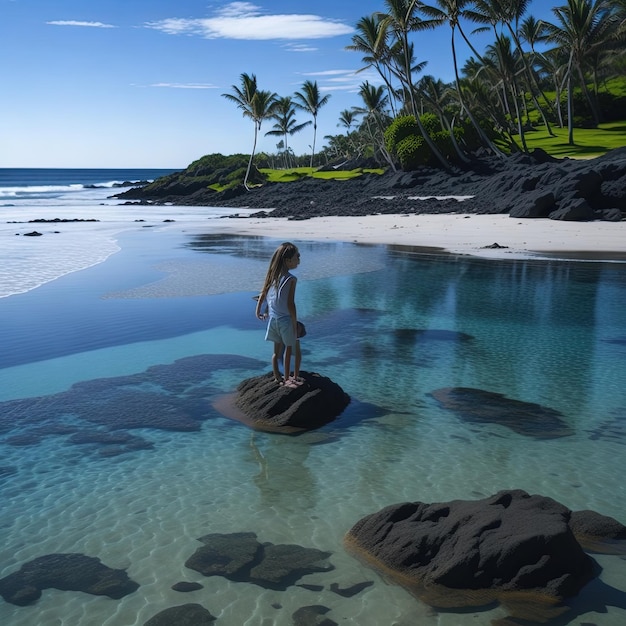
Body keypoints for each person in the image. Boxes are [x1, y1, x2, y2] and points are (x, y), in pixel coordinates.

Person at [256, 242, 302, 388]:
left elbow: (263, 294)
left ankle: (277, 377)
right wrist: (294, 322)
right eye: (297, 257)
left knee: (276, 352)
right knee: (289, 349)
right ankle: (288, 379)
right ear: (287, 261)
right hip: (285, 320)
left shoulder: (272, 276)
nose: (299, 260)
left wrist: (257, 311)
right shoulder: (291, 279)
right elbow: (290, 304)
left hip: (273, 321)